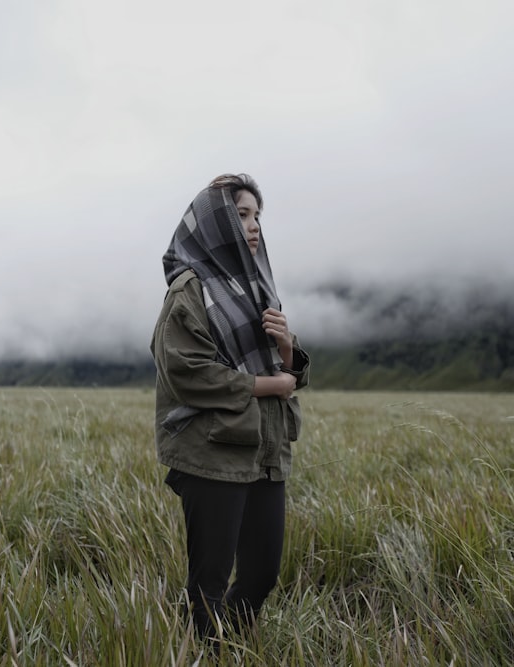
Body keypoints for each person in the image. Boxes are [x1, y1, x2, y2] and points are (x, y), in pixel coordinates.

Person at [150, 173, 310, 640]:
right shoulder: (190, 289)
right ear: (216, 224)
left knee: (262, 574)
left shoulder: (259, 286)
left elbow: (292, 376)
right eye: (242, 215)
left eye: (258, 215)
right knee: (209, 588)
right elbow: (184, 371)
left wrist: (286, 348)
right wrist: (269, 384)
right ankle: (204, 649)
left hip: (264, 451)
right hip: (213, 453)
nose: (255, 225)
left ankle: (224, 647)